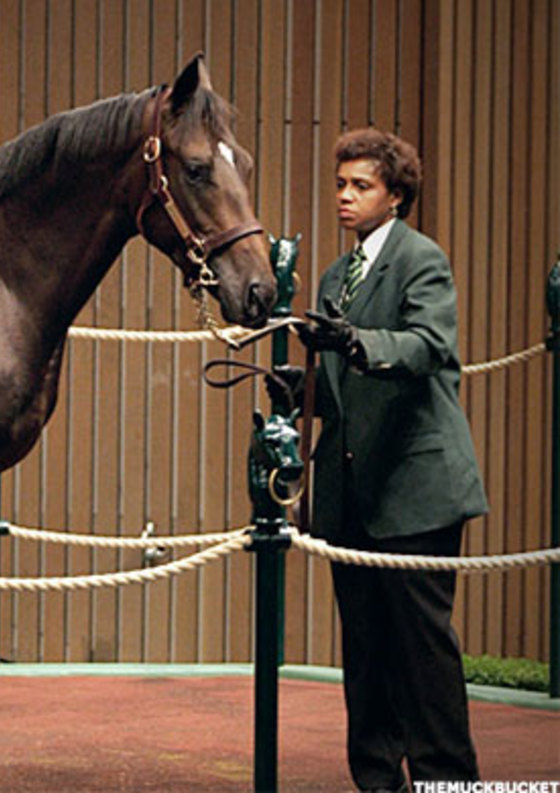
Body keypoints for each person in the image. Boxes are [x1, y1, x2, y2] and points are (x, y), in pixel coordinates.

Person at [272, 128, 487, 790]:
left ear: (395, 196)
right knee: (364, 655)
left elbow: (428, 345)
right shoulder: (338, 276)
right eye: (340, 183)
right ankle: (375, 779)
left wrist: (356, 342)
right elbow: (345, 393)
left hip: (416, 487)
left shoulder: (423, 260)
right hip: (354, 493)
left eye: (360, 185)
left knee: (422, 653)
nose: (344, 196)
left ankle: (448, 780)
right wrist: (299, 391)